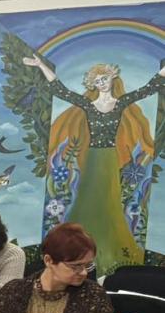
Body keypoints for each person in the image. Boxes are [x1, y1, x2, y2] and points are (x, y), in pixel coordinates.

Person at [24, 56, 165, 274]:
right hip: (92, 160)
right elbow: (60, 90)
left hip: (109, 160)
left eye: (105, 78)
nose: (102, 83)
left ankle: (109, 256)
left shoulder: (120, 103)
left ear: (112, 78)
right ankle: (78, 254)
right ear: (93, 84)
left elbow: (150, 87)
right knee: (87, 200)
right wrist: (41, 65)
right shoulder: (88, 105)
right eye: (97, 81)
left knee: (110, 202)